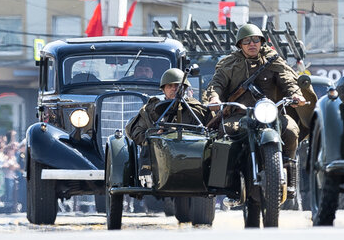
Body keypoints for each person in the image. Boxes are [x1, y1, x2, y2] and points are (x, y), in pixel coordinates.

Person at [203, 23, 308, 207]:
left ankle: (289, 179)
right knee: (225, 134)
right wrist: (214, 98)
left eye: (256, 40)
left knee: (291, 130)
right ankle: (230, 185)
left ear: (261, 42)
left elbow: (287, 79)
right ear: (240, 45)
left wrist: (295, 94)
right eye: (247, 41)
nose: (252, 44)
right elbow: (216, 83)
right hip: (239, 114)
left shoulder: (273, 60)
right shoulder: (230, 63)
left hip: (269, 114)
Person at [126, 68, 213, 147]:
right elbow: (136, 132)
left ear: (184, 88)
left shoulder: (197, 109)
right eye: (169, 86)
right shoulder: (151, 109)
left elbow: (211, 132)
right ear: (163, 90)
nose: (174, 89)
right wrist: (154, 136)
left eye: (177, 85)